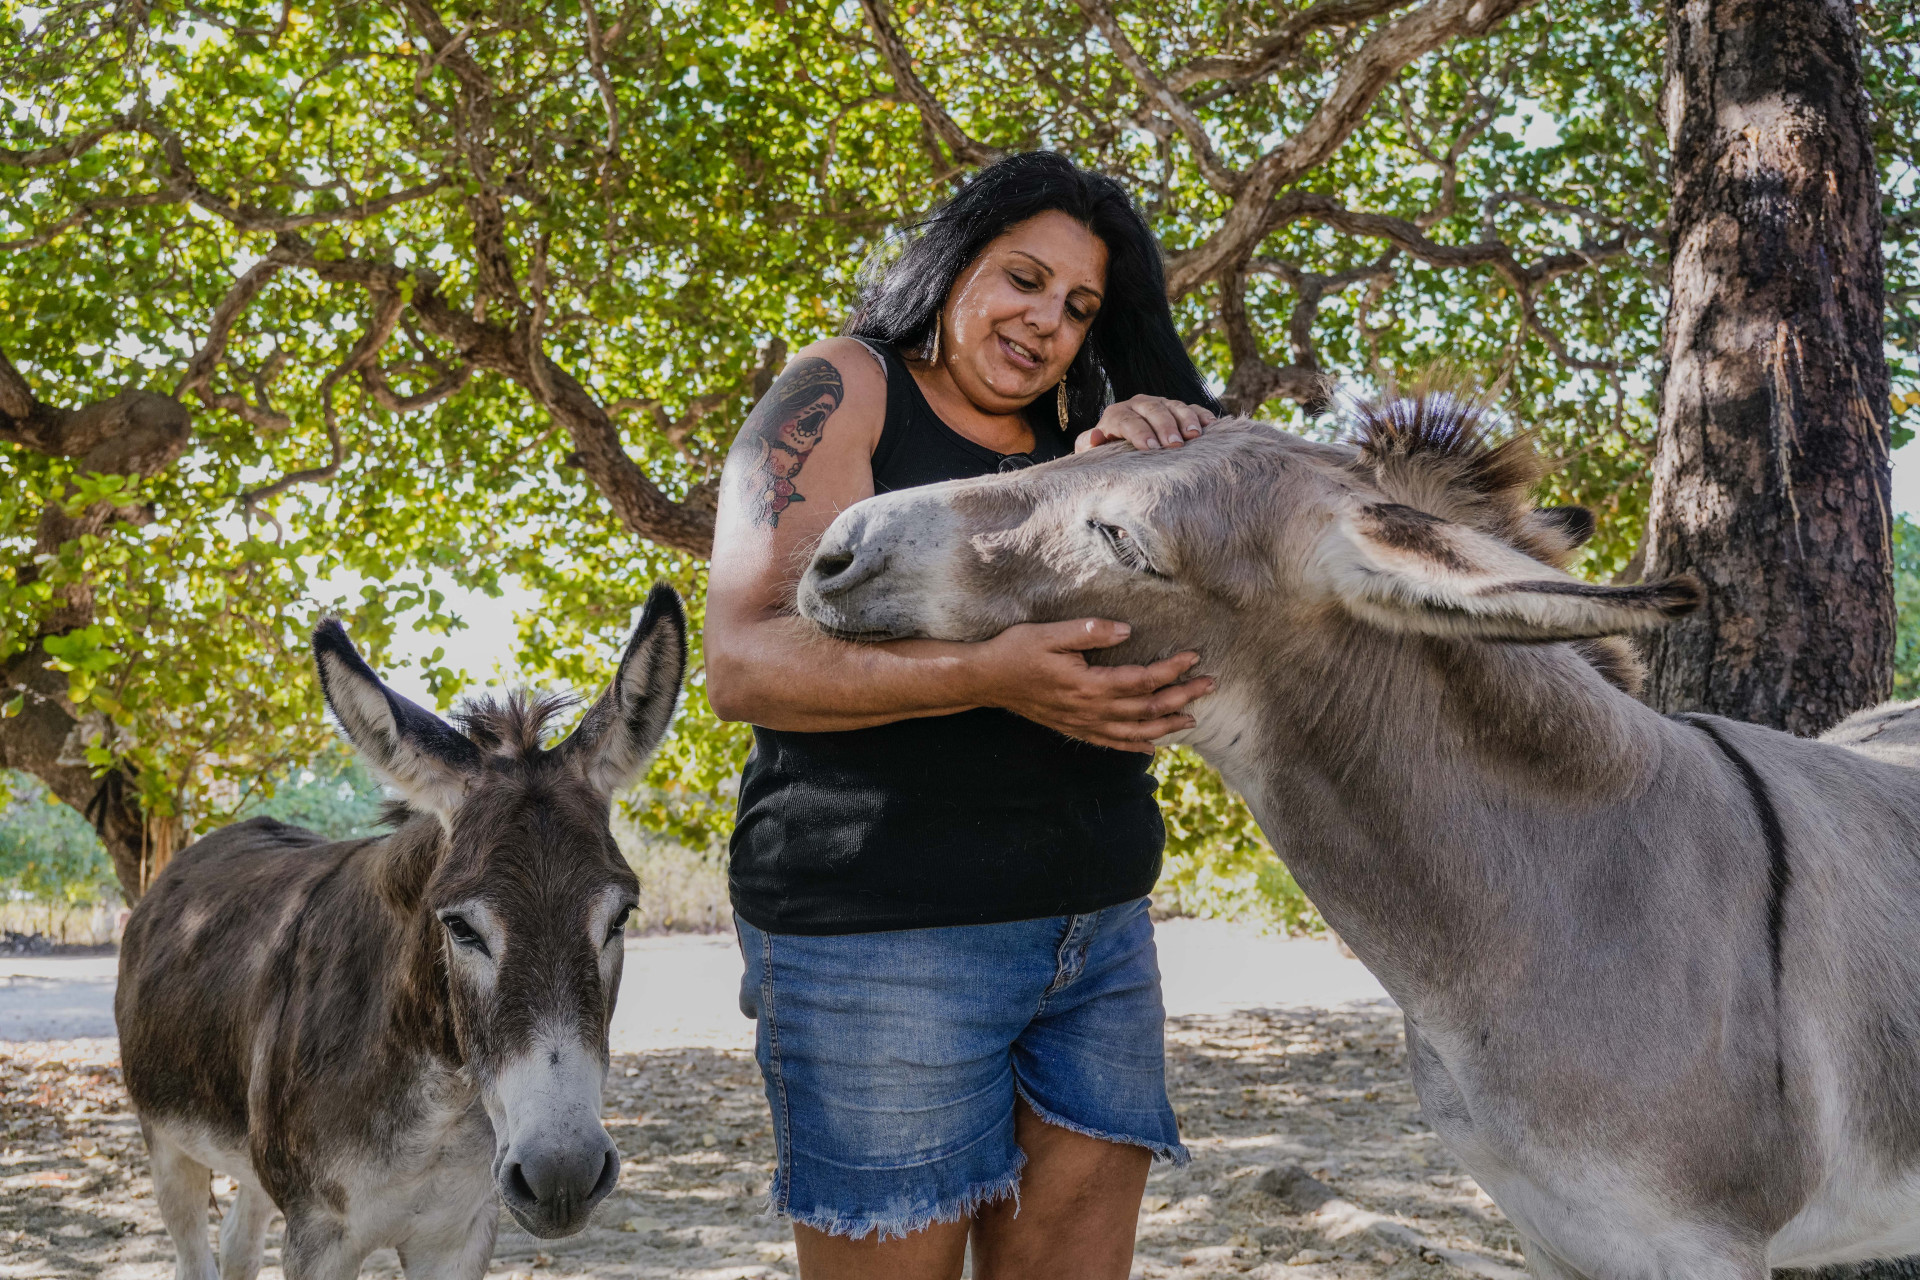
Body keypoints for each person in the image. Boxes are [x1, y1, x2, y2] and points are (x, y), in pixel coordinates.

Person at [704, 151, 1223, 1280]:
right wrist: (990, 673)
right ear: (953, 269)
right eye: (1023, 279)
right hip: (880, 935)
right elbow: (744, 660)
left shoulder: (1090, 450)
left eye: (1079, 306)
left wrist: (1160, 469)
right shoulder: (845, 389)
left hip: (1097, 933)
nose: (1046, 321)